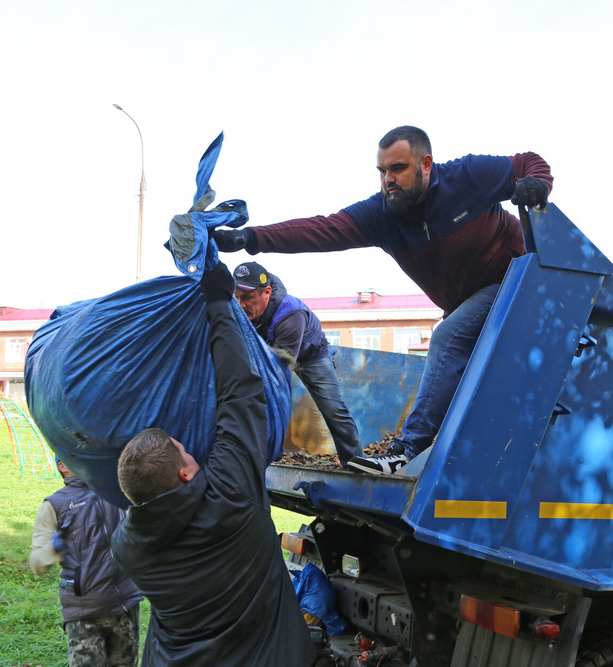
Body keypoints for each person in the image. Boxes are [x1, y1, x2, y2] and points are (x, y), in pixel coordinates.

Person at [215, 125, 552, 475]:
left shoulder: (466, 178)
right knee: (459, 355)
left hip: (519, 282)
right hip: (473, 302)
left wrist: (537, 183)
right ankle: (450, 448)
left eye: (397, 169)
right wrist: (249, 237)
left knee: (447, 336)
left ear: (426, 164)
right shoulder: (382, 216)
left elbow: (527, 162)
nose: (388, 179)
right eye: (382, 171)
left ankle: (405, 450)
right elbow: (321, 229)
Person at [111, 261, 315, 667]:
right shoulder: (232, 496)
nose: (196, 451)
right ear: (185, 474)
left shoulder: (129, 546)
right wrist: (219, 304)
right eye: (188, 452)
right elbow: (240, 393)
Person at [29, 457, 143, 667]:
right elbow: (37, 562)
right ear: (61, 466)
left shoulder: (112, 488)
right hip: (84, 614)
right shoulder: (54, 505)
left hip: (125, 606)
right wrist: (54, 547)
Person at [233, 260, 363, 466]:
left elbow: (279, 368)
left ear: (267, 292)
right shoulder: (240, 308)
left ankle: (355, 461)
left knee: (333, 409)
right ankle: (268, 458)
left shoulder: (291, 313)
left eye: (248, 298)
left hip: (310, 356)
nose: (241, 304)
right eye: (237, 297)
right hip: (269, 352)